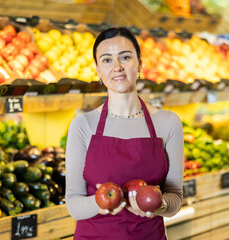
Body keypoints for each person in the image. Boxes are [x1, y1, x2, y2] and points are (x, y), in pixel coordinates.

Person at [65, 27, 184, 240]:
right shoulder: (83, 125)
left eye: (125, 57)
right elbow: (73, 204)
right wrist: (101, 202)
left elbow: (175, 198)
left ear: (139, 64)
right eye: (107, 60)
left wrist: (158, 205)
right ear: (98, 70)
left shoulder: (168, 123)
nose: (117, 67)